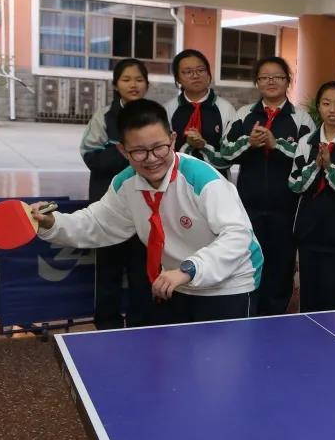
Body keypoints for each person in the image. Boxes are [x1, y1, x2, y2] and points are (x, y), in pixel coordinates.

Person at [35, 100, 260, 324]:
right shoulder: (125, 184)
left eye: (159, 147)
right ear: (123, 150)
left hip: (230, 284)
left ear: (173, 140)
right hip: (176, 282)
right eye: (139, 151)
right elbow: (97, 223)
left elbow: (237, 236)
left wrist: (189, 269)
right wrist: (52, 223)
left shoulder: (203, 179)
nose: (152, 159)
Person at [222, 57, 314, 316]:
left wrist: (276, 145)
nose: (271, 81)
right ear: (257, 82)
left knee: (280, 269)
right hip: (248, 208)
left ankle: (274, 320)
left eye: (278, 77)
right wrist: (248, 143)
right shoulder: (244, 115)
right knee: (248, 264)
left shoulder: (302, 118)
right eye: (264, 77)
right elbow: (224, 153)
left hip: (286, 209)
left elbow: (309, 161)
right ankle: (248, 315)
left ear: (288, 81)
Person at [79, 58, 153, 329]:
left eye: (139, 79)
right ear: (115, 85)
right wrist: (128, 152)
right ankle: (107, 325)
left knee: (142, 273)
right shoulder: (103, 117)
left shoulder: (154, 116)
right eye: (126, 79)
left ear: (147, 84)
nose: (133, 85)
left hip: (146, 208)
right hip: (110, 208)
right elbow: (91, 156)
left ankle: (140, 325)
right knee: (108, 272)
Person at [288, 81, 335, 312]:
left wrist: (330, 168)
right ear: (318, 107)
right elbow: (294, 184)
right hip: (308, 230)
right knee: (310, 298)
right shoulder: (306, 142)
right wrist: (315, 166)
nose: (332, 110)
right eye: (326, 103)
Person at [164, 49, 236, 177]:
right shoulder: (169, 109)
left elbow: (230, 156)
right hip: (178, 181)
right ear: (178, 78)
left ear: (208, 74)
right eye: (188, 72)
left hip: (216, 180)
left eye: (201, 70)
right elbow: (163, 153)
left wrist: (203, 146)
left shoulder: (226, 108)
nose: (195, 76)